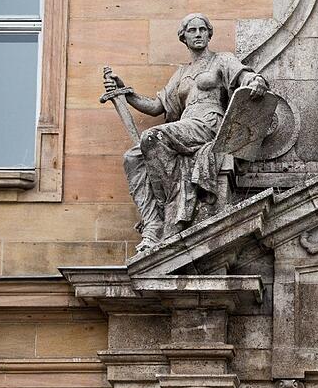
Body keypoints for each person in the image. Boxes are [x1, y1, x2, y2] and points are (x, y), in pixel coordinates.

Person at [104, 13, 269, 252]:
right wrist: (125, 92)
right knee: (133, 158)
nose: (199, 34)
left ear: (210, 34)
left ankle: (171, 208)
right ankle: (153, 223)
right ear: (184, 37)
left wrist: (256, 82)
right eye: (192, 30)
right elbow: (156, 107)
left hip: (209, 123)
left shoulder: (221, 61)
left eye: (203, 29)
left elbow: (245, 76)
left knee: (152, 137)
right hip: (185, 125)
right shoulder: (181, 73)